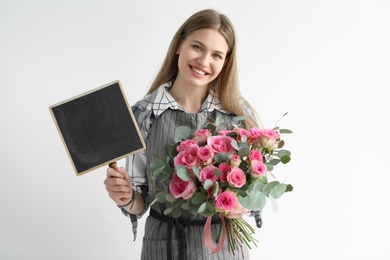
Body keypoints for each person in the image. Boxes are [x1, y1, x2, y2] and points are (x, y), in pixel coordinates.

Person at [104, 9, 262, 260]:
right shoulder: (143, 115)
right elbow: (140, 203)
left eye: (216, 55)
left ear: (225, 62)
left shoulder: (237, 116)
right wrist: (123, 196)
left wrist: (242, 205)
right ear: (179, 45)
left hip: (222, 250)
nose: (203, 61)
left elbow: (256, 193)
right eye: (197, 47)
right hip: (164, 248)